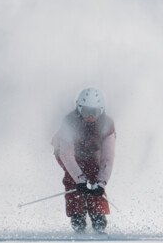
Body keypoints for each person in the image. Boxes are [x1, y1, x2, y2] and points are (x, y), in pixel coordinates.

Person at [52, 88, 116, 233]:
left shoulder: (107, 125)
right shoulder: (70, 122)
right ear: (79, 108)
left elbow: (108, 158)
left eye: (95, 112)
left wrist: (101, 183)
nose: (91, 116)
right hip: (65, 153)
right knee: (73, 179)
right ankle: (77, 214)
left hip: (93, 153)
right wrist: (80, 179)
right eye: (87, 112)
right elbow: (66, 154)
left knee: (94, 174)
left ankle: (97, 213)